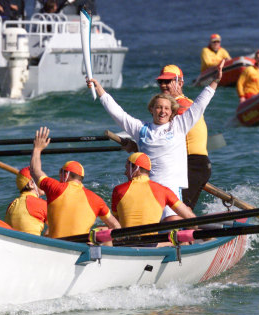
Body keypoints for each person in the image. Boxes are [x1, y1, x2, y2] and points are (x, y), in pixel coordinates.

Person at [88, 62, 223, 222]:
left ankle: (191, 237)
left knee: (173, 225)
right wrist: (100, 90)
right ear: (151, 109)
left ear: (173, 112)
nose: (162, 111)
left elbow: (200, 104)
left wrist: (215, 81)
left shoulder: (179, 125)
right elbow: (118, 113)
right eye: (158, 107)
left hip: (171, 189)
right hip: (149, 190)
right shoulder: (141, 129)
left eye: (166, 108)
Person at [29, 126, 121, 239]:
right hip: (81, 247)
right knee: (104, 229)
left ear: (66, 174)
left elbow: (34, 171)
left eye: (60, 172)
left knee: (47, 233)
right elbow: (116, 226)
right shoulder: (96, 200)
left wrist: (37, 149)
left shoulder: (55, 188)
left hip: (57, 245)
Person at [156, 64, 211, 210]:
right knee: (178, 211)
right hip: (191, 165)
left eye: (168, 82)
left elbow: (162, 138)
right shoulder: (177, 105)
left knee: (179, 211)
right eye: (161, 82)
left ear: (180, 83)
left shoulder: (181, 106)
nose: (163, 85)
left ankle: (193, 232)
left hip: (193, 165)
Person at [112, 152, 195, 228]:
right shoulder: (164, 191)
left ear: (135, 168)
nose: (125, 173)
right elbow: (189, 217)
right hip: (152, 243)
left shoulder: (118, 190)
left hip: (125, 243)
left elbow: (115, 224)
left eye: (127, 168)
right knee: (183, 238)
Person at [5, 166, 48, 235]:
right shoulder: (41, 204)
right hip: (33, 243)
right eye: (41, 179)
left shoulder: (11, 205)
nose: (45, 182)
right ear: (31, 184)